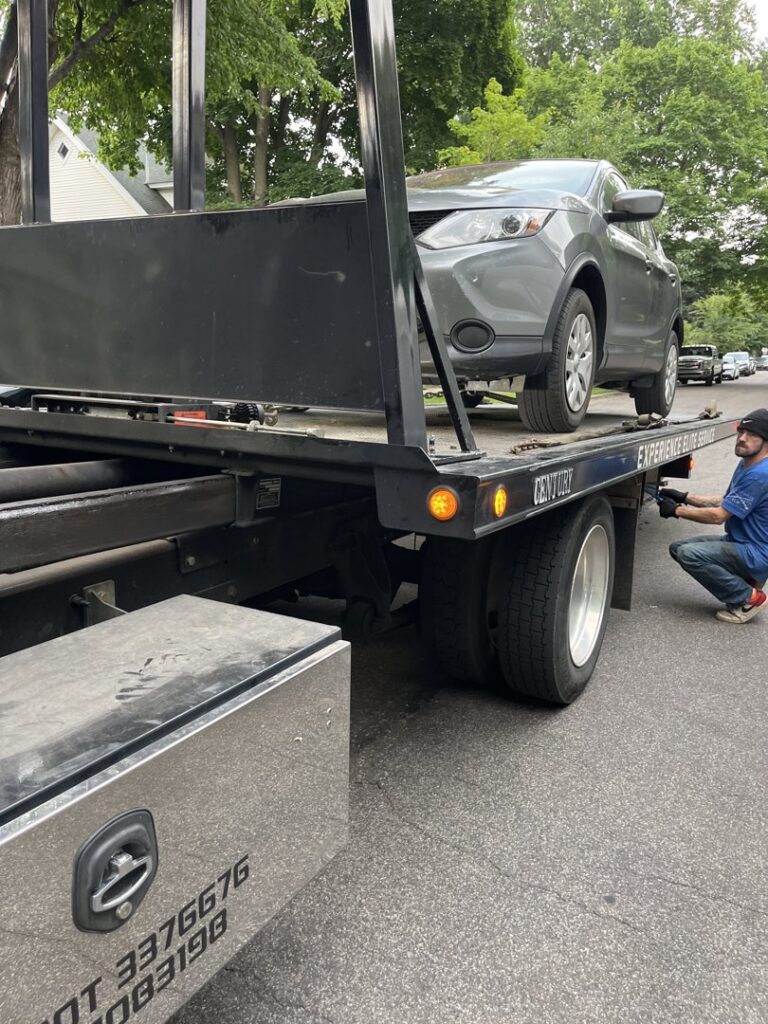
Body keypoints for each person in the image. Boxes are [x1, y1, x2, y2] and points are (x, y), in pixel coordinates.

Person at [659, 408, 768, 623]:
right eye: (741, 432)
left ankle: (749, 598)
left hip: (757, 551)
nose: (742, 439)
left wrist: (677, 510)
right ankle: (746, 581)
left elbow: (718, 516)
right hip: (742, 543)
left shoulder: (760, 475)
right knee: (678, 548)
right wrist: (685, 496)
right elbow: (724, 501)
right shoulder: (746, 464)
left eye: (752, 434)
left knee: (690, 554)